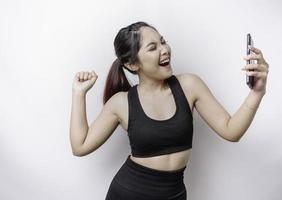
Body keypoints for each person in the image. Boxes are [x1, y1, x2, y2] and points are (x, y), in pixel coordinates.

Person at [70, 21, 269, 199]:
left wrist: (257, 92)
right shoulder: (121, 103)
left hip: (174, 194)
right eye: (153, 47)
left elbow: (231, 131)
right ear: (132, 64)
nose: (164, 50)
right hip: (128, 193)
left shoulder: (189, 85)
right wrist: (78, 94)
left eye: (163, 41)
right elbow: (80, 146)